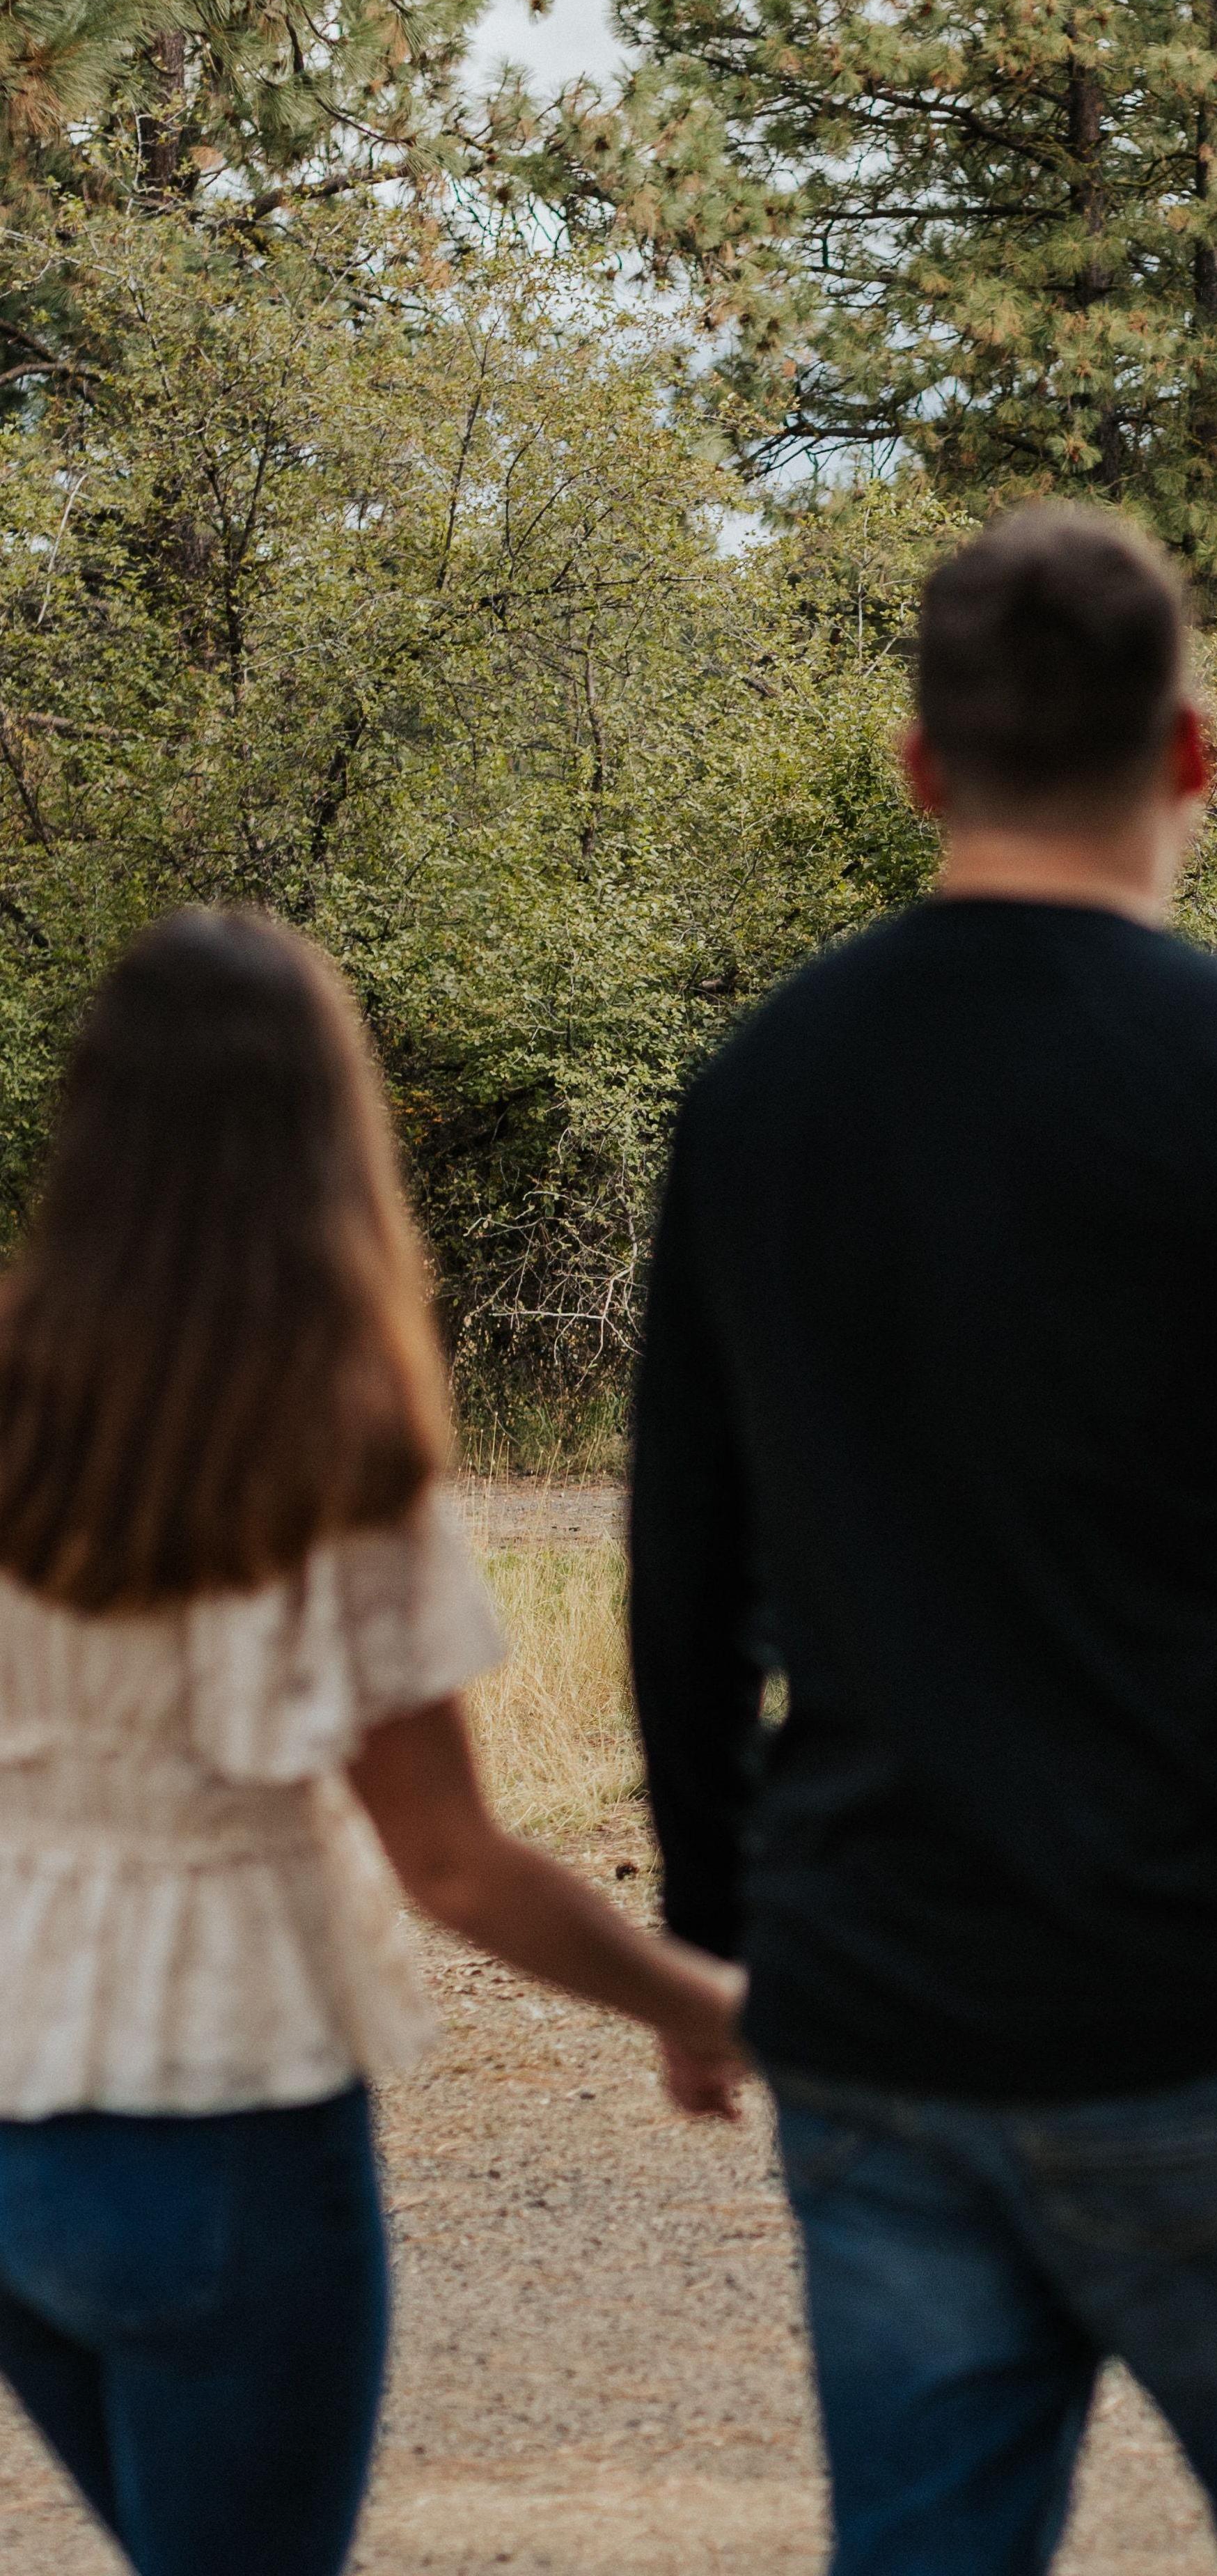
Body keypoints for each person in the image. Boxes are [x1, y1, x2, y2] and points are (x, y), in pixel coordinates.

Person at [629, 500, 1217, 2576]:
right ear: (1191, 758)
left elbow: (684, 1568)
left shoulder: (758, 1096)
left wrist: (713, 1936)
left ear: (918, 768)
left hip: (874, 2030)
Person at [0, 910, 748, 2576]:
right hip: (223, 2113)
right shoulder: (331, 1440)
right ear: (329, 1131)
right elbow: (452, 1861)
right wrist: (710, 2002)